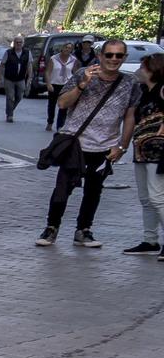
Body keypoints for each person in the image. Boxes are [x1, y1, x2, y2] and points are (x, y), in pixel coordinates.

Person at [36, 40, 137, 249]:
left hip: (105, 147)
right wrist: (83, 84)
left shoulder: (130, 82)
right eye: (109, 55)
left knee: (93, 191)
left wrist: (122, 146)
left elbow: (130, 117)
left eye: (119, 56)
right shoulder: (83, 73)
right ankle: (51, 227)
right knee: (63, 188)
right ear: (100, 56)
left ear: (124, 58)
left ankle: (83, 230)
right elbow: (62, 103)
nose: (113, 59)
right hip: (76, 143)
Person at [124, 53, 164, 257]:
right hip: (140, 150)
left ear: (152, 69)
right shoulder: (142, 91)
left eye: (142, 66)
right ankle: (150, 241)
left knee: (158, 197)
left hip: (159, 151)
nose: (139, 70)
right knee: (146, 199)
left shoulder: (162, 89)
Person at [44, 42, 78, 130]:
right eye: (66, 47)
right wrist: (48, 84)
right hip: (54, 84)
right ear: (62, 48)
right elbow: (47, 72)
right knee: (52, 105)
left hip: (66, 85)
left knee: (63, 106)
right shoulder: (54, 59)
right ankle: (50, 122)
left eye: (70, 48)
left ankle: (60, 126)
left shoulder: (73, 60)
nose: (67, 49)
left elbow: (75, 73)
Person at [0, 37, 31, 120]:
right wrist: (1, 78)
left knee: (19, 96)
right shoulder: (9, 52)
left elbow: (29, 65)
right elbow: (2, 65)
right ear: (14, 43)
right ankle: (10, 115)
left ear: (23, 43)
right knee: (10, 97)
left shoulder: (27, 53)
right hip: (9, 78)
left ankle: (10, 110)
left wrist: (29, 78)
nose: (18, 44)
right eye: (17, 42)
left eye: (20, 42)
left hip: (20, 78)